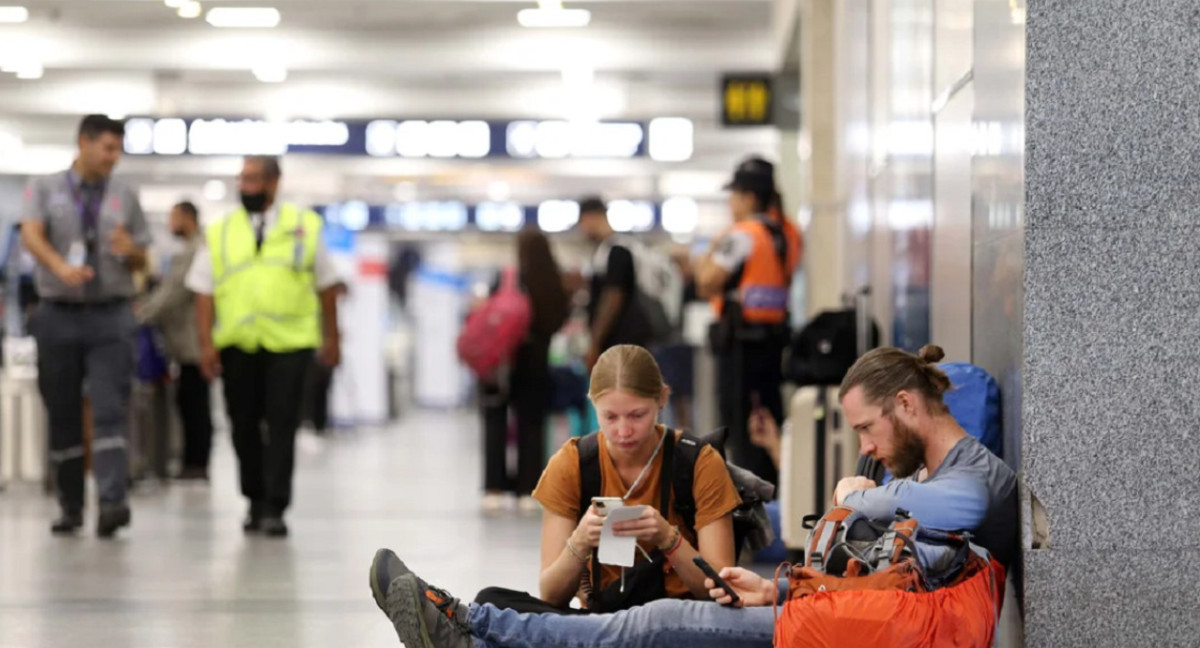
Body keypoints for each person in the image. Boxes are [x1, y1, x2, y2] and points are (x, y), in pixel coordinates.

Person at [367, 344, 1018, 648]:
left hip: (810, 621)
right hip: (814, 610)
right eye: (610, 418)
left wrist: (865, 499)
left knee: (650, 625)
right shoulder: (576, 464)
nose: (868, 449)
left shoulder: (972, 478)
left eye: (868, 429)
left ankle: (468, 628)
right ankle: (469, 627)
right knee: (556, 614)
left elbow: (963, 509)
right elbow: (552, 589)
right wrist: (779, 587)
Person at [470, 344, 741, 614]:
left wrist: (669, 538)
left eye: (637, 415)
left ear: (662, 399)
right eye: (609, 417)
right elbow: (551, 596)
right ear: (593, 405)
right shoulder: (572, 463)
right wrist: (580, 541)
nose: (623, 431)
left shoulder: (699, 463)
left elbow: (720, 589)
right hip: (601, 623)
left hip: (681, 621)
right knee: (490, 602)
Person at [187, 155, 342, 538]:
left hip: (290, 344)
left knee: (282, 423)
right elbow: (203, 292)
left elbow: (327, 286)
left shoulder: (304, 227)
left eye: (254, 179)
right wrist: (205, 344)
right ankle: (253, 499)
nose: (246, 187)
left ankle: (275, 506)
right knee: (242, 425)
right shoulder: (221, 230)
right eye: (243, 180)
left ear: (274, 183)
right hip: (238, 345)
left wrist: (332, 337)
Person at [21, 114, 150, 538]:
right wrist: (60, 267)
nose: (114, 158)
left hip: (110, 314)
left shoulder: (125, 194)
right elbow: (31, 234)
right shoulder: (45, 188)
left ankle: (113, 502)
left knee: (111, 409)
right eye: (108, 148)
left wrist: (131, 250)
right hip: (57, 312)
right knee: (62, 412)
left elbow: (144, 261)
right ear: (84, 143)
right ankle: (70, 504)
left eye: (118, 150)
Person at [695, 157, 802, 487]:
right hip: (773, 341)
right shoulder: (789, 234)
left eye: (734, 196)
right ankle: (775, 487)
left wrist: (711, 249)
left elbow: (707, 282)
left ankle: (745, 496)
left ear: (750, 197)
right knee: (768, 420)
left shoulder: (742, 235)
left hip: (739, 346)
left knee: (739, 428)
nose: (731, 204)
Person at [481, 229, 571, 514]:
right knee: (532, 426)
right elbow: (560, 319)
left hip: (503, 362)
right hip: (537, 362)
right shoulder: (553, 281)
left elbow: (489, 314)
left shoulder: (508, 277)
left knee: (496, 423)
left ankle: (493, 489)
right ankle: (527, 489)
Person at [137, 201, 212, 481]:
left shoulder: (196, 250)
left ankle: (197, 463)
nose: (170, 225)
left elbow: (174, 292)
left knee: (194, 403)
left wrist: (142, 315)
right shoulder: (191, 249)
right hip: (185, 341)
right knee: (189, 401)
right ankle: (193, 461)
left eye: (174, 218)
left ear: (188, 218)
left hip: (194, 342)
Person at [577, 197, 652, 370]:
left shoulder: (618, 249)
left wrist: (595, 341)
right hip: (624, 340)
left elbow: (613, 297)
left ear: (592, 217)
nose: (582, 229)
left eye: (582, 222)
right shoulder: (610, 249)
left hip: (622, 340)